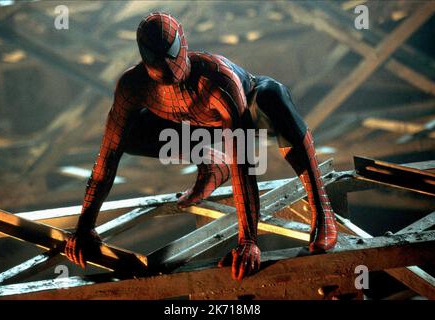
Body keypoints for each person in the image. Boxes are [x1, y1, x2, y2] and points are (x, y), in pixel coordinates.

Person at [65, 12, 338, 280]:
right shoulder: (133, 85)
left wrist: (248, 240)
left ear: (182, 44)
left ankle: (321, 208)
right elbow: (107, 157)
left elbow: (241, 160)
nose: (167, 65)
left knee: (273, 98)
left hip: (248, 111)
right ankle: (211, 165)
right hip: (198, 124)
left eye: (170, 53)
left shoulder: (217, 79)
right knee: (125, 133)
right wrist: (85, 227)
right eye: (156, 57)